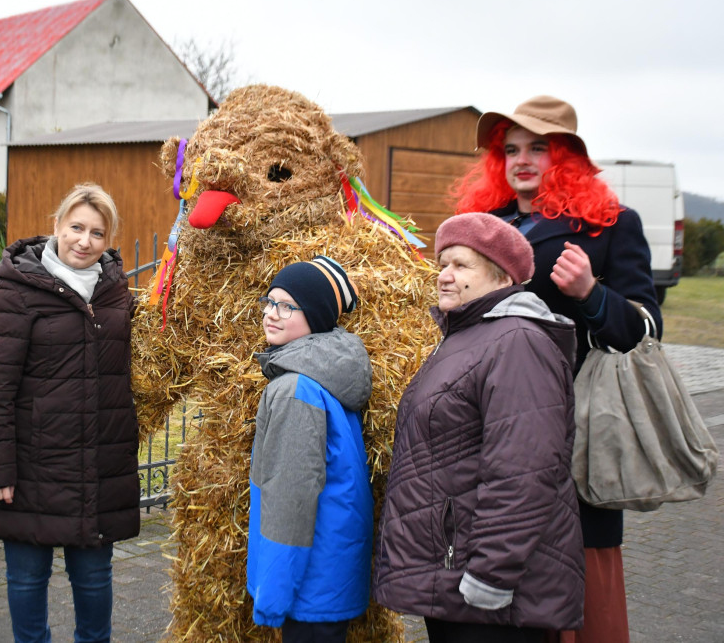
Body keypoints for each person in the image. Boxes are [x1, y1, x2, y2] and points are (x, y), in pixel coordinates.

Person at [452, 95, 662, 643]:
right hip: (486, 430)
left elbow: (646, 330)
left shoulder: (610, 226)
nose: (522, 159)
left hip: (570, 439)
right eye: (511, 149)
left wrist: (592, 294)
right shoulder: (485, 224)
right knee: (494, 567)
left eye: (539, 148)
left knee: (574, 598)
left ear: (565, 155)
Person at [373, 213, 583, 643]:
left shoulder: (518, 343)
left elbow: (524, 473)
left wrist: (490, 575)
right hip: (455, 575)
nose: (444, 277)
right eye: (442, 264)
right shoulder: (468, 336)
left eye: (461, 265)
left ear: (502, 275)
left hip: (489, 594)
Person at [0, 183, 139, 643]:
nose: (84, 241)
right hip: (30, 468)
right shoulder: (17, 289)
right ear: (57, 226)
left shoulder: (115, 296)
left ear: (108, 240)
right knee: (27, 581)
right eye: (76, 227)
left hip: (95, 469)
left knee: (93, 580)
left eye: (97, 233)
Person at [247, 255, 373, 643]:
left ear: (315, 316)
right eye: (270, 302)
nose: (272, 313)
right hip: (331, 567)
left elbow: (291, 499)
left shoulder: (294, 389)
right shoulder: (328, 374)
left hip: (307, 580)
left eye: (287, 306)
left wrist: (273, 594)